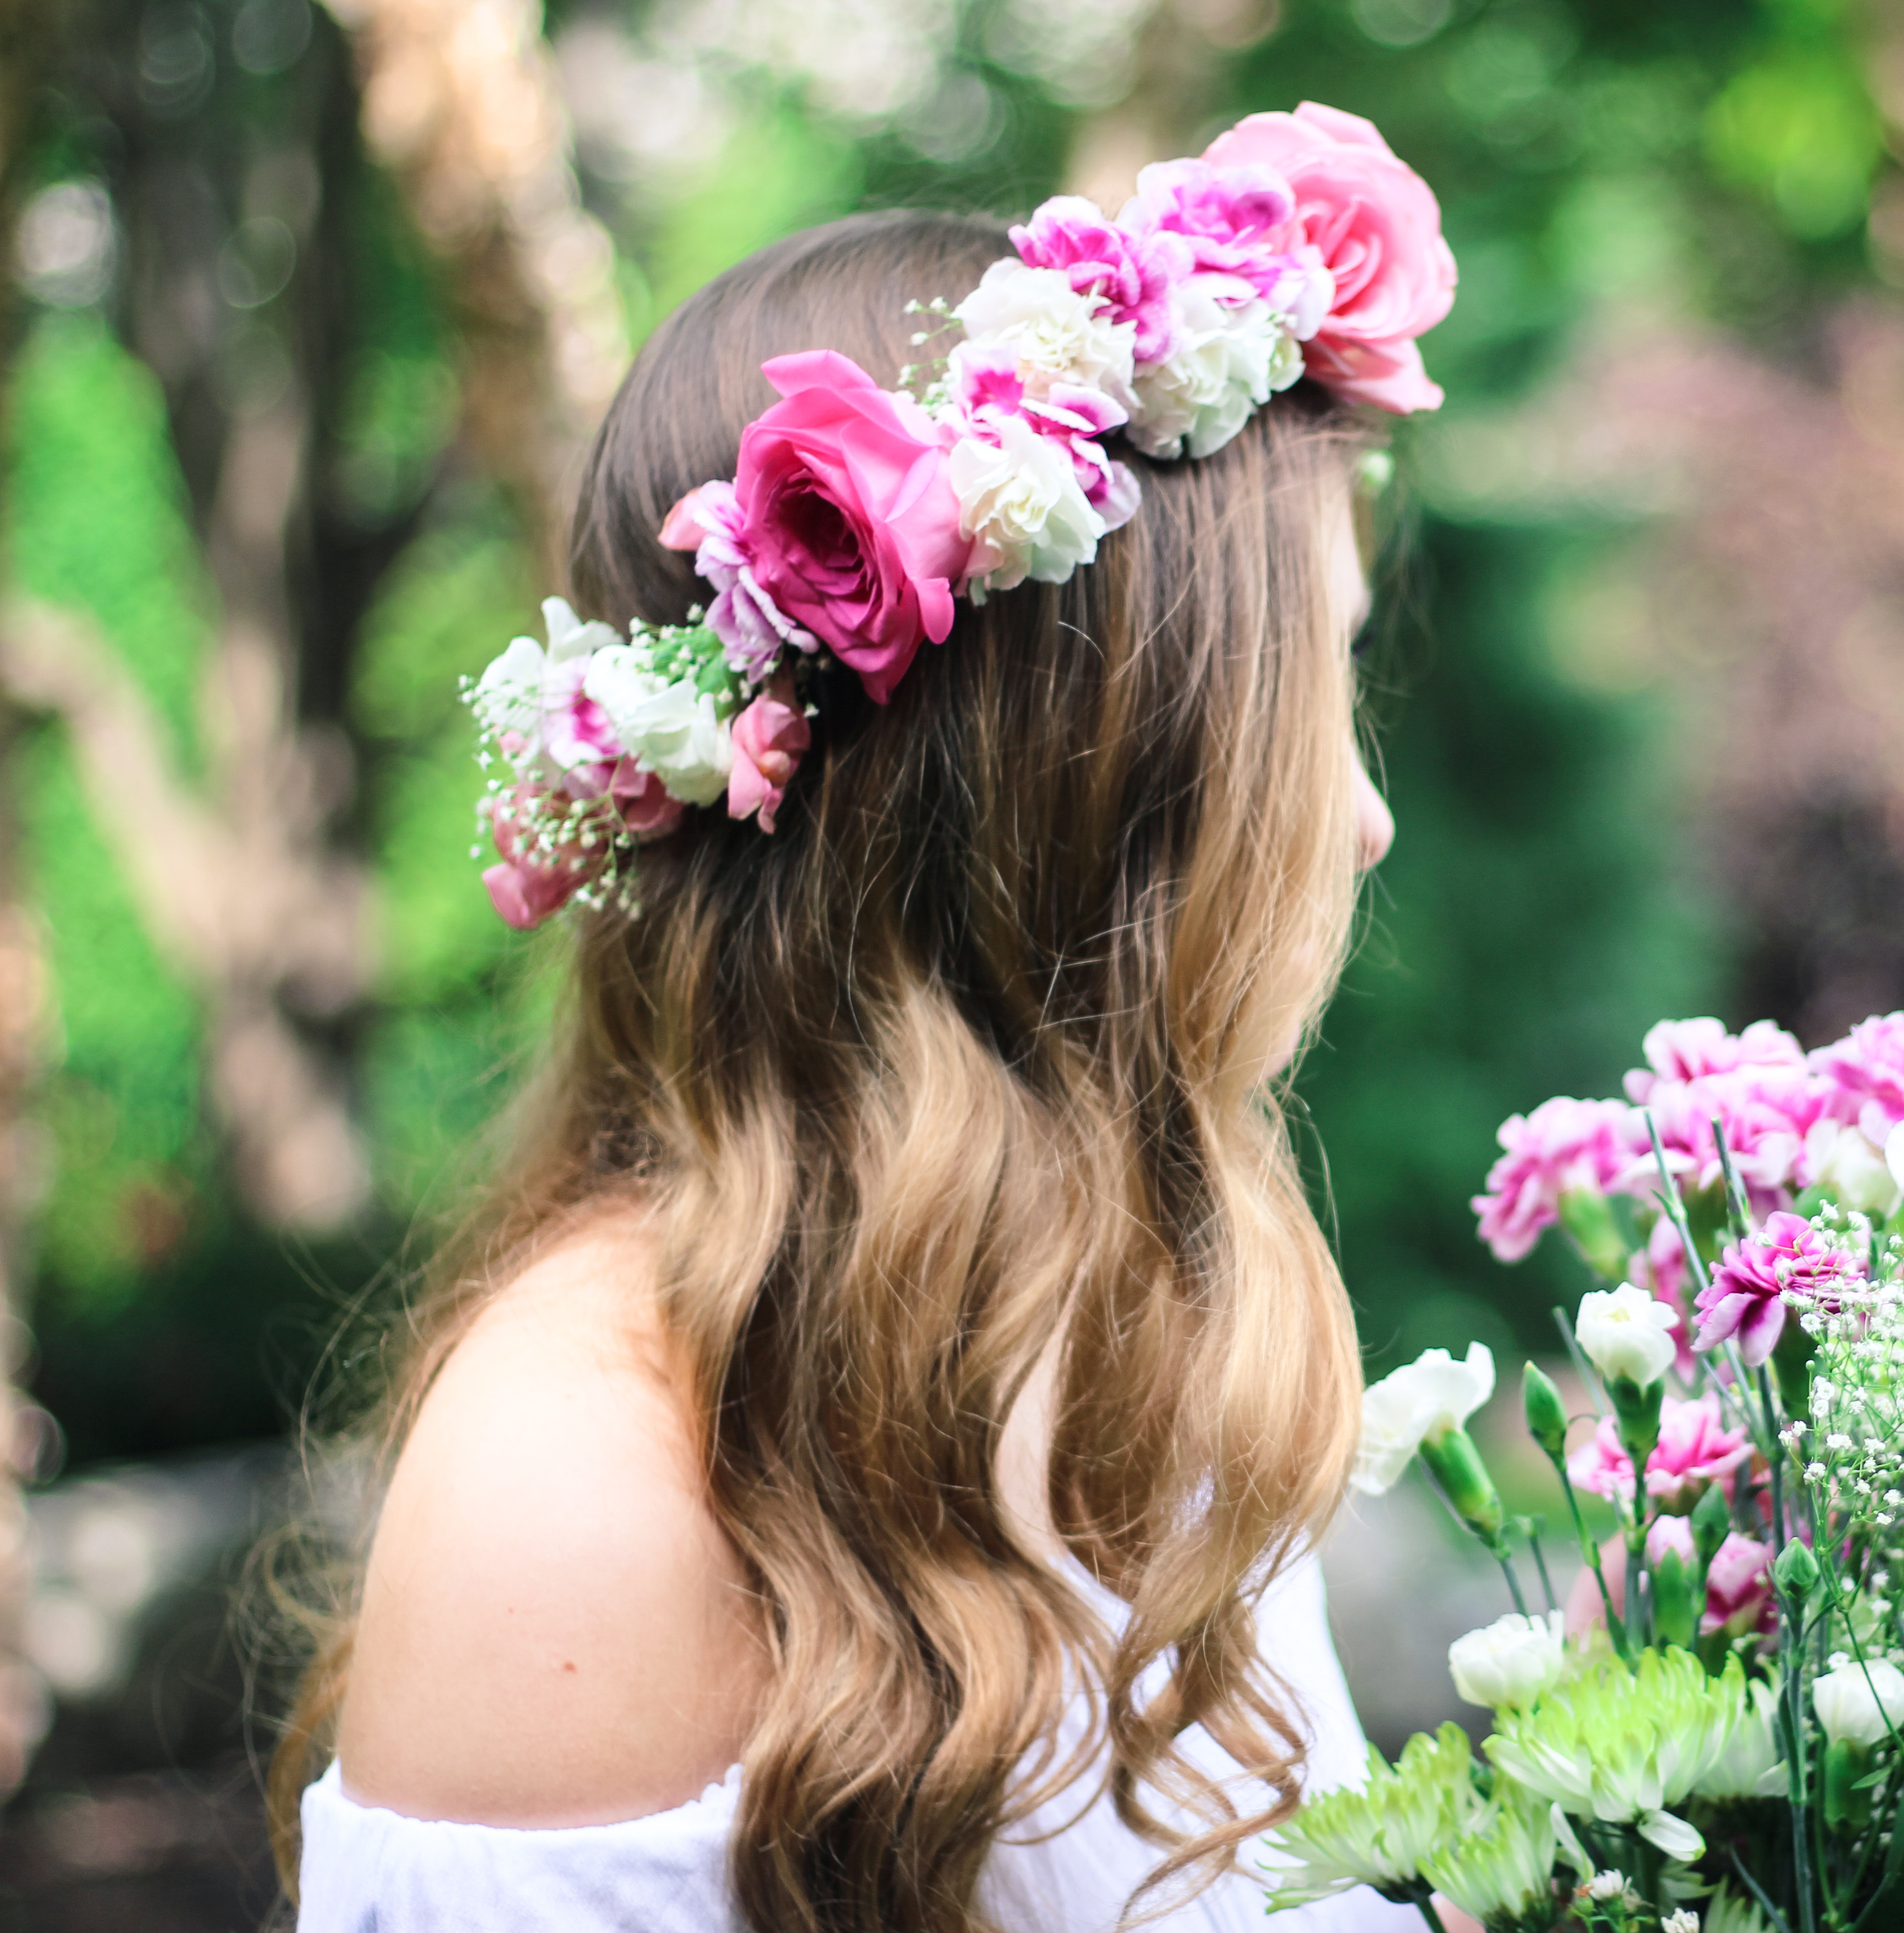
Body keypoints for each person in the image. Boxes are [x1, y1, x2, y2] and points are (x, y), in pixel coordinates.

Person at [271, 104, 1457, 1933]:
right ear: (1084, 784)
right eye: (1307, 705)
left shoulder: (1111, 1314)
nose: (1364, 817)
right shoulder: (584, 1494)